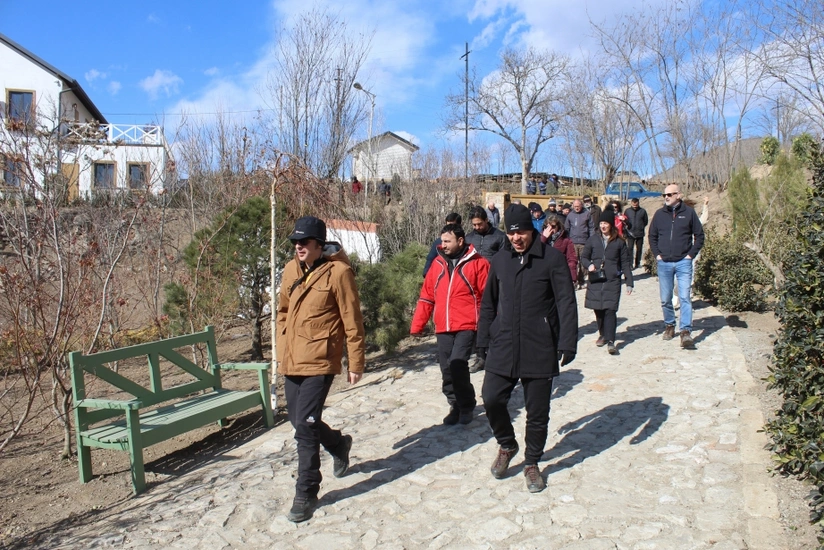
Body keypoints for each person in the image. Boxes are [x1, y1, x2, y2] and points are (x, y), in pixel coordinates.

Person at [477, 203, 578, 493]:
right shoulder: (500, 261)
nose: (516, 238)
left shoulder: (551, 259)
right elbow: (488, 304)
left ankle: (532, 462)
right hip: (504, 342)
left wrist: (567, 340)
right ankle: (507, 445)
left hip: (539, 344)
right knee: (491, 398)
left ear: (531, 230)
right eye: (511, 233)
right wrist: (483, 339)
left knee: (537, 411)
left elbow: (566, 302)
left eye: (521, 231)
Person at [276, 216, 366, 523]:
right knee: (299, 421)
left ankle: (306, 491)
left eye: (305, 242)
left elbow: (352, 320)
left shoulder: (339, 273)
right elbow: (283, 312)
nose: (298, 247)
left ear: (319, 244)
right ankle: (339, 444)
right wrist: (281, 347)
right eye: (295, 242)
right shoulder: (290, 270)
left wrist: (355, 362)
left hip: (320, 359)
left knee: (306, 425)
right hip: (292, 358)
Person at [411, 224, 489, 425]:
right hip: (443, 325)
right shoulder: (437, 264)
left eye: (447, 241)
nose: (443, 245)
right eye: (442, 241)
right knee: (446, 367)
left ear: (460, 241)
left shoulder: (478, 264)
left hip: (467, 324)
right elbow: (427, 297)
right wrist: (417, 325)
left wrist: (487, 327)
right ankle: (454, 404)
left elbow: (488, 298)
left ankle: (466, 405)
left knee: (457, 363)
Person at [648, 184, 705, 349]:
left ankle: (685, 331)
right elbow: (652, 236)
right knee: (666, 298)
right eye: (664, 195)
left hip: (683, 262)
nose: (666, 197)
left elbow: (699, 236)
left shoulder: (689, 213)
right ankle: (669, 325)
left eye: (670, 194)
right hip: (664, 262)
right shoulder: (659, 214)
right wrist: (657, 255)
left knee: (685, 297)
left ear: (678, 195)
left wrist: (690, 256)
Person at [581, 208, 634, 355]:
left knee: (610, 310)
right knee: (598, 309)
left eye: (606, 223)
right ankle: (603, 334)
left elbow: (625, 263)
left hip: (612, 280)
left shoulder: (619, 242)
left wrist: (629, 281)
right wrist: (589, 265)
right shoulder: (593, 239)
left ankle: (611, 340)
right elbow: (584, 257)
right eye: (601, 223)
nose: (603, 226)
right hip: (596, 279)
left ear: (611, 224)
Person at [565, 199, 595, 290]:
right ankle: (574, 281)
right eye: (575, 206)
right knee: (573, 263)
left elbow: (591, 228)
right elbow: (567, 228)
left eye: (578, 206)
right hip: (573, 242)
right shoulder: (570, 215)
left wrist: (591, 240)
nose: (577, 208)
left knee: (583, 262)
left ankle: (581, 280)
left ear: (581, 205)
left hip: (584, 242)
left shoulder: (587, 214)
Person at [423, 212, 462, 277]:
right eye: (447, 226)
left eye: (452, 226)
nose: (449, 229)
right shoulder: (438, 242)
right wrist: (426, 275)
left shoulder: (467, 242)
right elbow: (430, 259)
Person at [541, 214, 577, 282]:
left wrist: (572, 278)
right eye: (547, 227)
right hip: (544, 273)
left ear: (558, 226)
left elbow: (572, 259)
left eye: (553, 226)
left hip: (560, 273)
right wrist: (544, 238)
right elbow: (536, 250)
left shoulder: (566, 240)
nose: (550, 229)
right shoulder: (541, 239)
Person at [625, 197, 649, 269]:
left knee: (639, 249)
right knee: (630, 249)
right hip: (630, 233)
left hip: (640, 233)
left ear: (638, 203)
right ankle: (630, 264)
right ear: (631, 203)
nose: (635, 206)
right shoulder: (627, 211)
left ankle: (637, 263)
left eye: (636, 205)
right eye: (633, 205)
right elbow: (625, 220)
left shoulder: (643, 211)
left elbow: (645, 221)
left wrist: (641, 227)